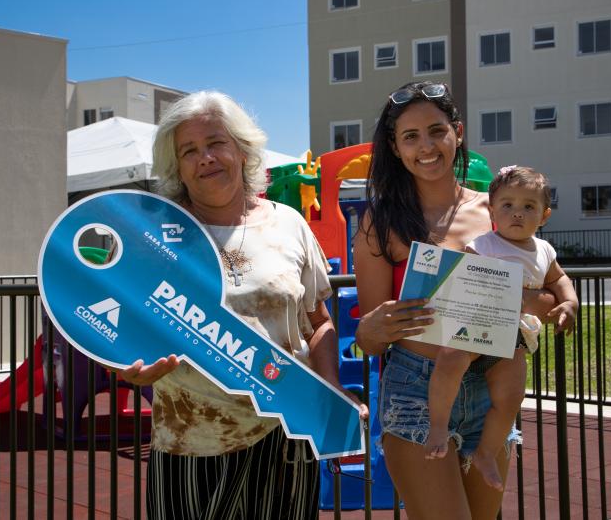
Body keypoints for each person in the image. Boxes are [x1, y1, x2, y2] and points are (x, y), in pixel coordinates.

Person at [115, 91, 368, 520]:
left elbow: (319, 321)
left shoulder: (288, 223)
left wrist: (331, 385)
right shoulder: (155, 233)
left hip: (286, 434)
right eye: (189, 151)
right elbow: (121, 328)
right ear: (177, 166)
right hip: (189, 440)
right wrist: (122, 366)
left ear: (242, 149)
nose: (205, 158)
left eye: (216, 142)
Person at [352, 81, 558, 519]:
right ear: (395, 147)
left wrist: (534, 301)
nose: (426, 146)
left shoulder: (498, 210)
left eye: (436, 131)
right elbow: (370, 339)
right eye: (410, 137)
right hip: (415, 389)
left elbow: (547, 290)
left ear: (457, 133)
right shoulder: (380, 221)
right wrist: (370, 329)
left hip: (491, 383)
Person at [425, 165, 579, 492]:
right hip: (477, 325)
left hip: (515, 337)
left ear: (545, 215)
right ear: (492, 211)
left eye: (528, 206)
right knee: (450, 359)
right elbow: (463, 281)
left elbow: (559, 279)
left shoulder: (544, 251)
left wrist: (569, 303)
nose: (517, 213)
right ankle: (438, 426)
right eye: (507, 205)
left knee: (510, 397)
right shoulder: (483, 245)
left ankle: (486, 453)